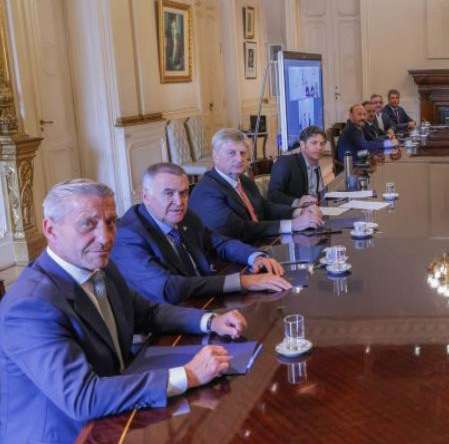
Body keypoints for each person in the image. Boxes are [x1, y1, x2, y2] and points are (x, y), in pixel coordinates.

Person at [0, 179, 246, 443]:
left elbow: (146, 313)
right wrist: (188, 375)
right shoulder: (30, 305)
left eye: (110, 222)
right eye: (88, 224)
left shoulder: (100, 268)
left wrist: (210, 321)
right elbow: (83, 397)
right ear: (51, 229)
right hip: (69, 434)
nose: (105, 238)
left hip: (117, 411)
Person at [113, 163, 291, 304]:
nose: (178, 202)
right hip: (170, 320)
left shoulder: (186, 216)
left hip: (206, 300)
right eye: (169, 194)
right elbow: (168, 288)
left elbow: (218, 243)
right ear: (146, 196)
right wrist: (242, 282)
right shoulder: (128, 236)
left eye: (183, 193)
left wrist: (255, 257)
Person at [189, 129, 323, 243]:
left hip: (262, 242)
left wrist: (298, 212)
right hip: (232, 260)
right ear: (216, 156)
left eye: (242, 153)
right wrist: (291, 225)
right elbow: (239, 230)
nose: (239, 159)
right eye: (231, 153)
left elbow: (265, 207)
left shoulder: (243, 180)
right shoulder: (207, 191)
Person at [268, 126, 328, 205]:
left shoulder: (315, 164)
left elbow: (317, 193)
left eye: (322, 144)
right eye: (314, 143)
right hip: (291, 213)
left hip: (313, 209)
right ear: (302, 145)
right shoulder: (285, 163)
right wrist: (297, 202)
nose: (319, 147)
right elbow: (273, 195)